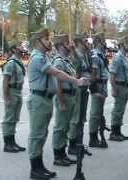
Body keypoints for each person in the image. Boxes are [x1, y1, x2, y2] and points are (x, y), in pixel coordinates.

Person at [27, 27, 85, 180]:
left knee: (42, 134)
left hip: (44, 99)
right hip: (39, 99)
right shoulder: (38, 58)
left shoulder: (44, 57)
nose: (49, 41)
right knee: (37, 135)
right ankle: (35, 168)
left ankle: (39, 167)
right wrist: (76, 81)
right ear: (37, 42)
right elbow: (58, 74)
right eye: (45, 39)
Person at [51, 34, 78, 167]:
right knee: (60, 127)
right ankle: (58, 155)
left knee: (66, 126)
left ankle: (63, 154)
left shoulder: (66, 60)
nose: (70, 44)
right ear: (61, 45)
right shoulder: (58, 62)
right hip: (64, 96)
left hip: (70, 96)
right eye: (67, 43)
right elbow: (58, 84)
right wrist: (61, 102)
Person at [67, 34, 92, 155]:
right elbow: (74, 73)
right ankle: (72, 145)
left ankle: (79, 143)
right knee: (75, 118)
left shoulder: (85, 55)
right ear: (79, 43)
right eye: (85, 41)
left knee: (81, 118)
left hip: (84, 90)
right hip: (77, 90)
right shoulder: (75, 55)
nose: (87, 43)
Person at [1, 41, 27, 153]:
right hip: (11, 91)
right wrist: (6, 97)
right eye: (19, 46)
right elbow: (5, 80)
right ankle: (8, 144)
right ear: (13, 50)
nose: (22, 48)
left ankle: (13, 142)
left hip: (18, 91)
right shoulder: (11, 62)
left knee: (15, 118)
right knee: (9, 119)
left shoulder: (18, 61)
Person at [88, 32, 110, 148]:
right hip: (98, 85)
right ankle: (93, 138)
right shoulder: (95, 55)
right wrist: (94, 90)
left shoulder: (101, 54)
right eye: (103, 41)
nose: (105, 43)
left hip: (103, 85)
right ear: (97, 42)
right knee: (95, 113)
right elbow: (93, 74)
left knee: (99, 112)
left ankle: (97, 135)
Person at [109, 36, 128, 141]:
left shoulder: (123, 57)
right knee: (117, 110)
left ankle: (118, 132)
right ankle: (114, 133)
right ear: (122, 45)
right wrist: (113, 89)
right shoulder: (118, 57)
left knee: (121, 110)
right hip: (119, 86)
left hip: (125, 86)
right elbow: (112, 75)